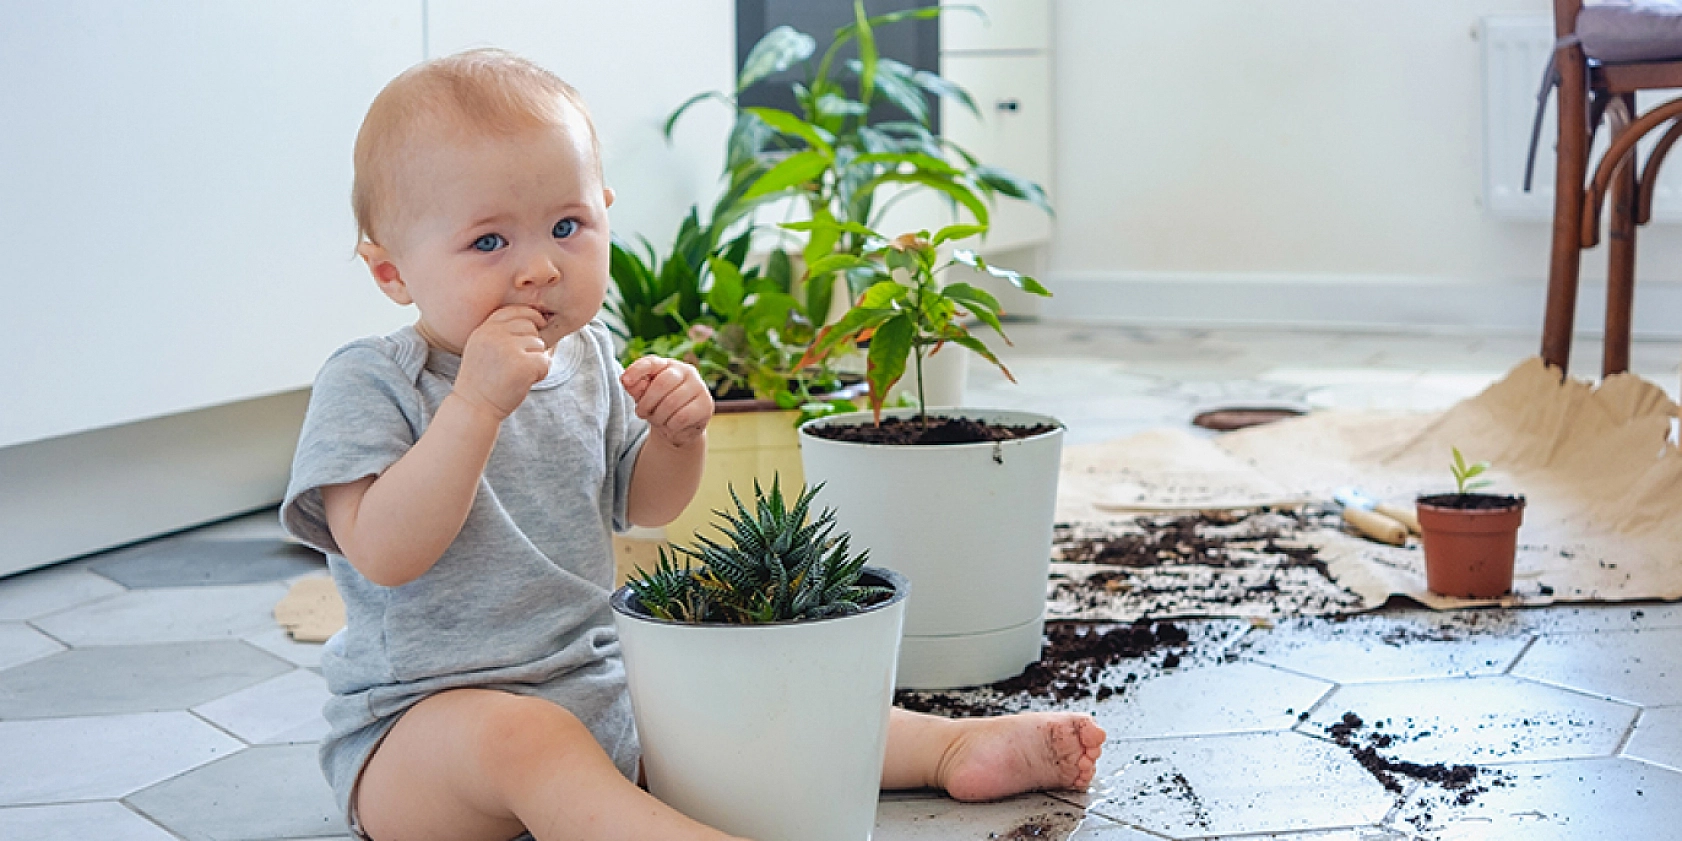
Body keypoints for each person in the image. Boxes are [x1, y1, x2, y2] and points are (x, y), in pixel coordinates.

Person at [281, 48, 1105, 841]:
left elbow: (646, 506)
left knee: (749, 693)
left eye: (567, 225)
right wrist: (472, 407)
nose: (538, 268)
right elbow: (385, 552)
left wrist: (680, 435)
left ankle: (951, 745)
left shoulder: (588, 357)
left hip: (597, 683)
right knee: (530, 742)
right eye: (489, 243)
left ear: (604, 209)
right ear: (392, 273)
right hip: (420, 734)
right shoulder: (372, 382)